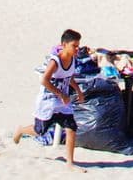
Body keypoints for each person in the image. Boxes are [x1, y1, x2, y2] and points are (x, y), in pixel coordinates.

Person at [13, 29, 87, 172]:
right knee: (40, 130)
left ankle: (70, 163)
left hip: (62, 102)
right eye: (74, 46)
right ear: (64, 45)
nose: (77, 49)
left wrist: (78, 91)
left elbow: (69, 77)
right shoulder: (55, 61)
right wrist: (61, 94)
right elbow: (44, 81)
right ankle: (21, 130)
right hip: (47, 101)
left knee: (71, 128)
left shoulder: (72, 59)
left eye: (78, 46)